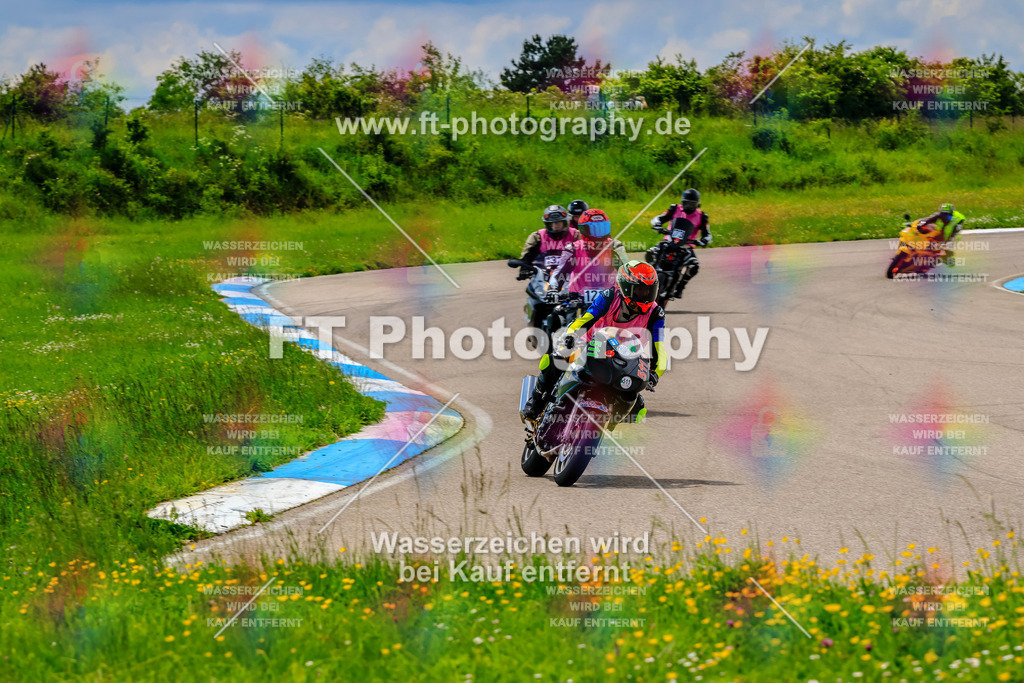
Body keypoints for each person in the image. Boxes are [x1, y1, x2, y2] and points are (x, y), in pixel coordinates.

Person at [521, 260, 666, 422]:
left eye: (649, 291)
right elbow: (584, 320)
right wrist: (570, 335)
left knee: (635, 407)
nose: (645, 296)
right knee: (557, 357)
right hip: (590, 343)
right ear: (626, 288)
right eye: (640, 290)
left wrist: (655, 374)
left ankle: (606, 426)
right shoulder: (609, 296)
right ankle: (536, 402)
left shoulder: (655, 313)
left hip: (623, 357)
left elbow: (660, 350)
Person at [548, 208, 628, 297]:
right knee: (556, 310)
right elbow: (559, 272)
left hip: (610, 298)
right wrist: (553, 289)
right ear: (584, 230)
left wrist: (629, 288)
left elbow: (626, 271)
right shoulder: (572, 249)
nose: (599, 235)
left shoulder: (615, 246)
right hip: (576, 299)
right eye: (595, 230)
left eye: (603, 229)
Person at [647, 188, 711, 298]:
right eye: (686, 203)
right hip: (668, 241)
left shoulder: (702, 216)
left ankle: (681, 286)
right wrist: (657, 224)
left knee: (694, 265)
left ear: (697, 204)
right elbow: (659, 218)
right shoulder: (674, 208)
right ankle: (646, 278)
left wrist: (704, 240)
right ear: (682, 202)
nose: (689, 206)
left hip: (687, 246)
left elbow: (708, 234)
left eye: (692, 204)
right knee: (650, 253)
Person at [519, 205, 580, 278]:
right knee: (530, 288)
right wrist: (524, 269)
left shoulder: (576, 235)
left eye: (559, 223)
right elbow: (527, 256)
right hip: (542, 277)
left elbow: (587, 254)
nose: (555, 226)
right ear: (547, 224)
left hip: (571, 276)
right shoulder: (537, 237)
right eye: (552, 223)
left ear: (565, 222)